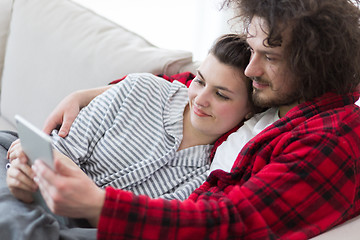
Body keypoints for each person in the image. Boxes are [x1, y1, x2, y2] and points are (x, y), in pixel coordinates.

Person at [21, 0, 360, 239]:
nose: (251, 69)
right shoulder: (278, 94)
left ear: (314, 64)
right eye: (253, 50)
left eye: (269, 57)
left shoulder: (331, 141)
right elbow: (197, 84)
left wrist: (101, 205)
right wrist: (90, 95)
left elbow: (232, 223)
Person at [2, 34, 256, 239]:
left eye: (221, 95)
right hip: (37, 179)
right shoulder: (142, 89)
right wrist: (25, 173)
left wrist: (78, 193)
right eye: (200, 81)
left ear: (249, 110)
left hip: (83, 224)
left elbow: (136, 226)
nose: (200, 100)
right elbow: (61, 149)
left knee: (28, 225)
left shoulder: (212, 174)